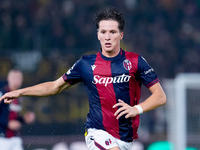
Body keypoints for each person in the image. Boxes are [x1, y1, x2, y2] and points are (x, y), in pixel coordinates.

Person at [0, 8, 166, 150]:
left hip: (126, 139)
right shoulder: (86, 64)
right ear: (98, 35)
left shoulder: (136, 61)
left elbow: (160, 96)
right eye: (103, 32)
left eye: (112, 32)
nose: (107, 37)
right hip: (97, 132)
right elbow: (54, 87)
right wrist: (20, 92)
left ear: (121, 35)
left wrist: (136, 109)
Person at [0, 69, 35, 150]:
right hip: (2, 138)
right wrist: (7, 123)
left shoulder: (19, 96)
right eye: (14, 77)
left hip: (15, 138)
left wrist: (24, 119)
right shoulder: (2, 93)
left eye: (18, 78)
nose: (16, 80)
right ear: (8, 78)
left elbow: (14, 117)